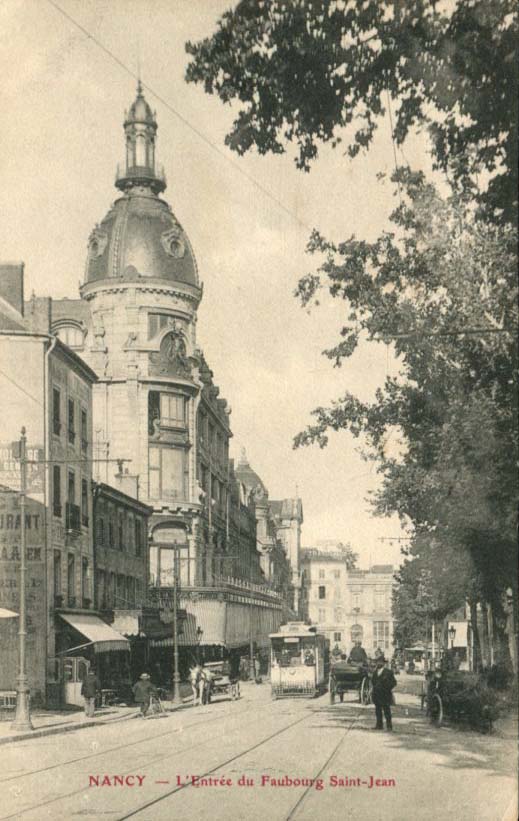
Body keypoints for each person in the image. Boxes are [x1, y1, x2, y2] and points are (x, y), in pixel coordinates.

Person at [371, 655, 397, 731]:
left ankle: (389, 726)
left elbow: (394, 682)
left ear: (383, 663)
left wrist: (388, 688)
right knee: (378, 710)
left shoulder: (388, 672)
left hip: (385, 694)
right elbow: (373, 681)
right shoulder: (375, 672)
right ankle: (379, 725)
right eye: (378, 662)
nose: (379, 663)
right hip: (376, 694)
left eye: (380, 662)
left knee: (387, 710)